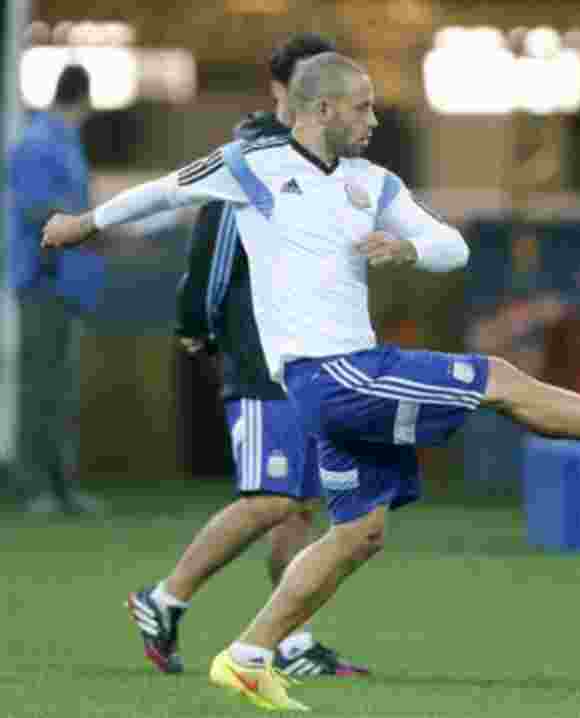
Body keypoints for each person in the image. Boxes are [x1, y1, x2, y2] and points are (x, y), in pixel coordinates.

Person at [42, 52, 580, 711]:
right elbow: (161, 191)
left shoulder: (373, 183)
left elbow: (450, 246)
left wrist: (407, 247)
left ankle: (248, 657)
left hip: (344, 379)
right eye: (363, 106)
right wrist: (78, 224)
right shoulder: (251, 167)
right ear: (322, 108)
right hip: (332, 375)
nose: (374, 118)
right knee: (499, 378)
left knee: (359, 531)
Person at [126, 33, 368, 679]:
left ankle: (292, 642)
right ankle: (164, 597)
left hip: (310, 348)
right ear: (282, 92)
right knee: (269, 496)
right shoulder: (254, 159)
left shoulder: (325, 164)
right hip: (261, 348)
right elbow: (213, 245)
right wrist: (197, 324)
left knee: (298, 503)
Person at [5, 64, 106, 516]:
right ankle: (35, 489)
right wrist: (89, 224)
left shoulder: (60, 141)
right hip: (44, 278)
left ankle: (62, 487)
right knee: (39, 387)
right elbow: (34, 210)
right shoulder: (38, 142)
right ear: (84, 99)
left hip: (68, 281)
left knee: (60, 389)